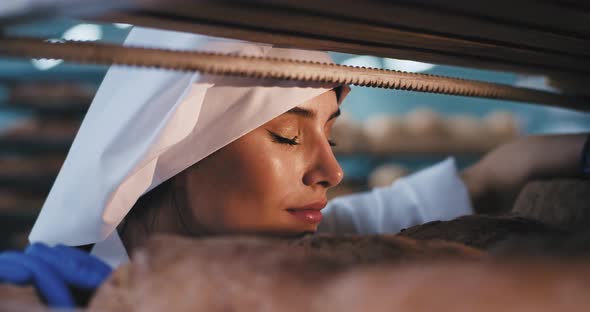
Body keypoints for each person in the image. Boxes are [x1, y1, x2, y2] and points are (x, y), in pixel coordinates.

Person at [1, 27, 588, 308]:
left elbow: (493, 174)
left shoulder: (312, 245)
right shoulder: (48, 290)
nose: (330, 171)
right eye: (287, 134)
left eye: (329, 133)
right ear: (173, 155)